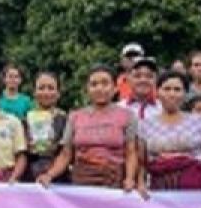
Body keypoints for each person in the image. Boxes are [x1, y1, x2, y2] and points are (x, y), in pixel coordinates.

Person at [39, 64, 141, 192]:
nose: (99, 88)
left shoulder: (128, 116)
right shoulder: (75, 117)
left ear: (115, 88)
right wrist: (49, 175)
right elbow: (66, 154)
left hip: (115, 183)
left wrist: (130, 178)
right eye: (94, 84)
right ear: (87, 89)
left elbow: (131, 152)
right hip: (81, 182)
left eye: (105, 83)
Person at [138, 70, 201, 191]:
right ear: (157, 92)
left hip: (195, 188)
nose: (172, 94)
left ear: (185, 94)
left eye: (177, 89)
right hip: (159, 187)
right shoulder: (145, 124)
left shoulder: (200, 122)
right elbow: (140, 161)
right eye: (166, 89)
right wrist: (140, 184)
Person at [24, 71, 67, 181]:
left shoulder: (66, 119)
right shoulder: (25, 119)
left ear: (58, 93)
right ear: (34, 92)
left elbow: (66, 152)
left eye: (51, 88)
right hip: (29, 175)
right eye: (41, 88)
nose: (46, 92)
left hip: (59, 175)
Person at [119, 56, 160, 121]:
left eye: (149, 76)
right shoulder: (119, 109)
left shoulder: (164, 109)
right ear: (128, 78)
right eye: (137, 76)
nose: (143, 80)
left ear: (156, 79)